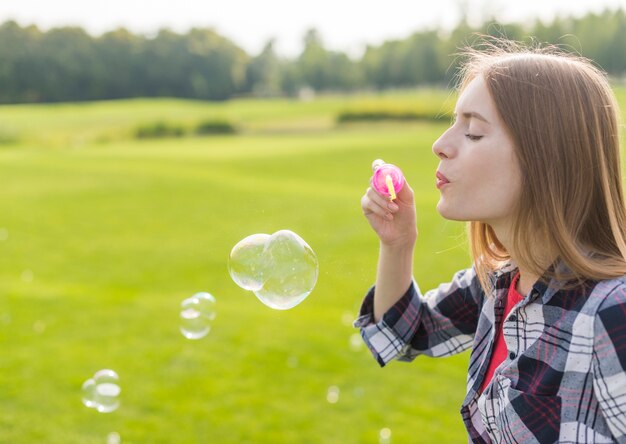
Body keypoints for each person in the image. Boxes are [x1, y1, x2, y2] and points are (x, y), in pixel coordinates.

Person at [356, 39, 626, 444]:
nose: (441, 145)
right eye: (453, 123)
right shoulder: (497, 284)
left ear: (545, 159)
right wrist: (398, 243)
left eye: (474, 132)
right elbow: (404, 334)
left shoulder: (611, 312)